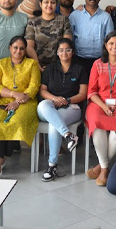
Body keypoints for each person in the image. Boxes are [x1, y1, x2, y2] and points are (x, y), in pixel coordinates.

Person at [0, 36, 40, 180]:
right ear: (10, 48)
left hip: (26, 102)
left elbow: (34, 87)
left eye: (22, 48)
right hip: (2, 100)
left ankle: (0, 161)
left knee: (15, 122)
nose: (18, 51)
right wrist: (13, 94)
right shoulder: (1, 64)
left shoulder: (32, 64)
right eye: (15, 47)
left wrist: (19, 101)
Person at [86, 31, 116, 186]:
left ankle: (101, 167)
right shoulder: (97, 64)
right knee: (97, 123)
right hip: (99, 104)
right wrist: (103, 105)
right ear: (105, 46)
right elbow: (92, 91)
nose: (114, 47)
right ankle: (105, 167)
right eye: (111, 43)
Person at [38, 38, 88, 181]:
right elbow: (42, 91)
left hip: (71, 107)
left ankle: (52, 165)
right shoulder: (51, 68)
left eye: (68, 49)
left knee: (55, 126)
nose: (64, 53)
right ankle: (68, 135)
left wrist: (67, 100)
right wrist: (55, 99)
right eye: (61, 50)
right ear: (57, 53)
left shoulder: (80, 69)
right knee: (42, 105)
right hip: (50, 106)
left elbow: (83, 94)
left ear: (72, 52)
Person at [68, 0, 114, 73]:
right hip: (78, 60)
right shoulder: (74, 16)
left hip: (100, 60)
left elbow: (110, 40)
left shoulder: (106, 17)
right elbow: (70, 39)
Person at [26, 0, 73, 72]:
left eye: (53, 2)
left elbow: (67, 44)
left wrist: (61, 66)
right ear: (40, 4)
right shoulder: (32, 22)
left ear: (56, 4)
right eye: (46, 2)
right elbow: (29, 47)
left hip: (59, 67)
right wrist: (38, 66)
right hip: (37, 66)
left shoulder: (63, 20)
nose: (49, 5)